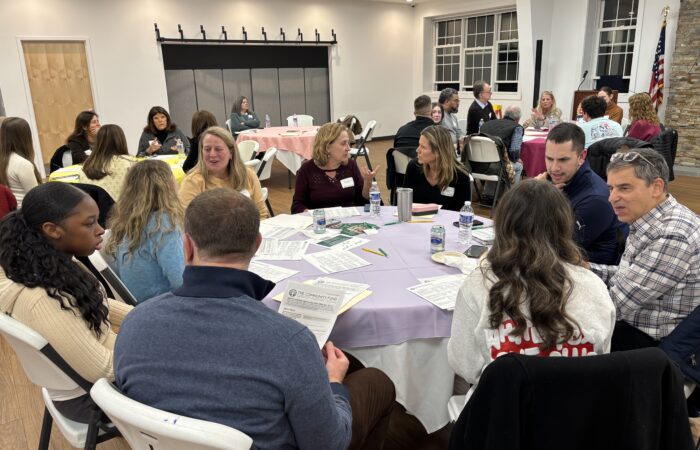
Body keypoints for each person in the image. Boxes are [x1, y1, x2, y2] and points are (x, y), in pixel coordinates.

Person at [114, 188, 395, 450]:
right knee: (376, 381)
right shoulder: (290, 341)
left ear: (186, 246)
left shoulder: (134, 324)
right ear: (257, 245)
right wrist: (334, 384)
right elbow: (327, 443)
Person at [448, 180, 615, 396]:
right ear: (564, 225)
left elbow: (466, 367)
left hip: (502, 414)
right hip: (578, 415)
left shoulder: (479, 284)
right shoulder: (594, 287)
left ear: (502, 226)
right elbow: (602, 358)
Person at [0, 183, 133, 423]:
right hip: (92, 399)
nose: (101, 229)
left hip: (99, 380)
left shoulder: (52, 265)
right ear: (52, 230)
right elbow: (101, 369)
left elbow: (96, 301)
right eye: (89, 223)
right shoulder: (41, 298)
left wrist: (144, 318)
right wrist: (155, 350)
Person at [591, 148, 700, 351]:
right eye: (611, 188)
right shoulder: (650, 217)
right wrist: (582, 268)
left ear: (656, 187)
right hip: (636, 326)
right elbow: (630, 275)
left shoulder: (672, 235)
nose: (612, 198)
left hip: (656, 348)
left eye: (624, 188)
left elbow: (613, 306)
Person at [534, 123, 627, 265]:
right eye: (549, 159)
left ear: (581, 156)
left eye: (563, 160)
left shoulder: (594, 200)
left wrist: (535, 199)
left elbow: (552, 248)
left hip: (588, 273)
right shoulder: (559, 182)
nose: (554, 168)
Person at [105, 160, 184, 303]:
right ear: (168, 187)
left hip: (141, 304)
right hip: (164, 305)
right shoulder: (163, 223)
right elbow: (180, 281)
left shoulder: (126, 222)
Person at [179, 126, 269, 218]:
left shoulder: (248, 175)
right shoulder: (193, 182)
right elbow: (186, 222)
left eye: (218, 149)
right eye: (207, 149)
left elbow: (261, 213)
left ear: (231, 153)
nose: (212, 155)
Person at [292, 122, 379, 213]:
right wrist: (313, 215)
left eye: (348, 143)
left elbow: (363, 200)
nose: (348, 148)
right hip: (320, 223)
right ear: (327, 147)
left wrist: (368, 182)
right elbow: (297, 205)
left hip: (350, 221)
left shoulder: (350, 165)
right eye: (343, 144)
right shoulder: (307, 170)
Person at [402, 125, 471, 211]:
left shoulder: (460, 176)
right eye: (419, 145)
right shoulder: (414, 167)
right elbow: (404, 204)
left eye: (423, 147)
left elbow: (461, 214)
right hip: (415, 222)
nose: (417, 150)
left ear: (438, 151)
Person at [76, 124, 136, 201]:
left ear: (98, 142)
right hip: (123, 210)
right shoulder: (130, 163)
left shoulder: (87, 165)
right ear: (121, 141)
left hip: (96, 211)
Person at [0, 117, 42, 206]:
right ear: (25, 137)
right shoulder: (22, 164)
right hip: (25, 213)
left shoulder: (3, 160)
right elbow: (36, 198)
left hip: (10, 214)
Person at [479, 105, 525, 183]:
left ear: (504, 114)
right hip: (498, 166)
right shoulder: (517, 127)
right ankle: (513, 193)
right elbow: (514, 151)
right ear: (518, 119)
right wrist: (516, 159)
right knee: (519, 166)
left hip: (479, 165)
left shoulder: (486, 124)